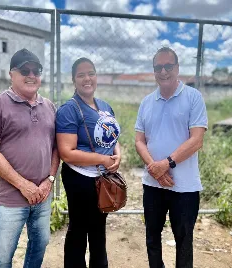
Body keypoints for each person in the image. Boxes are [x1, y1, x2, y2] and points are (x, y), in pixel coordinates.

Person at [0, 48, 60, 268]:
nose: (31, 75)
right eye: (25, 70)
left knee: (39, 247)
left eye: (36, 70)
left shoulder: (49, 106)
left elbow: (55, 148)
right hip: (9, 199)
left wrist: (49, 181)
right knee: (2, 257)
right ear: (12, 74)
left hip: (42, 196)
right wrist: (23, 185)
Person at [135, 47, 208, 268]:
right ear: (154, 71)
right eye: (159, 67)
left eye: (168, 66)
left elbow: (197, 140)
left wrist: (166, 164)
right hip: (153, 184)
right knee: (152, 239)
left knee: (184, 241)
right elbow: (139, 141)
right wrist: (153, 168)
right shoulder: (147, 102)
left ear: (177, 68)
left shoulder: (193, 98)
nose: (163, 71)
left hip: (184, 187)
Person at [56, 57, 121, 268]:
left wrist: (117, 154)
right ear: (74, 80)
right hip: (80, 179)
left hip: (102, 178)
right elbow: (66, 153)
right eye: (81, 74)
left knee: (98, 230)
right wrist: (103, 159)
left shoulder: (104, 106)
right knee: (79, 230)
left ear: (96, 76)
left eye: (91, 73)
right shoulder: (69, 109)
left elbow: (113, 137)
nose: (87, 78)